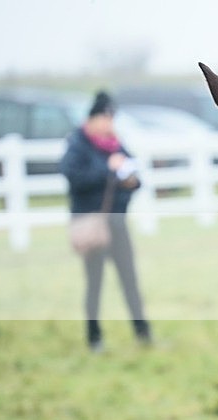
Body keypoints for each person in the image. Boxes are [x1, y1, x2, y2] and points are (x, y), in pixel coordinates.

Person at [60, 90, 151, 352]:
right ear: (94, 118)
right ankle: (94, 336)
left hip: (117, 222)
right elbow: (74, 177)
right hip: (92, 225)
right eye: (107, 118)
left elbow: (134, 176)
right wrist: (108, 169)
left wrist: (128, 178)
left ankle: (142, 332)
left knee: (129, 279)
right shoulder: (78, 144)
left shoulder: (114, 143)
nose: (111, 124)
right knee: (95, 282)